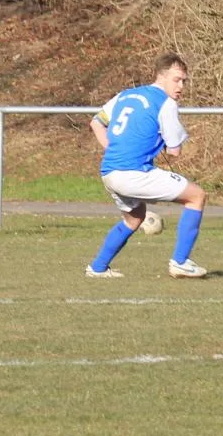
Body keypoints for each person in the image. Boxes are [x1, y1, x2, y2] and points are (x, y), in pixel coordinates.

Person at [87, 53, 209, 278]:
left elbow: (96, 122)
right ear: (161, 76)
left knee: (134, 218)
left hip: (109, 171)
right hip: (133, 173)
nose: (181, 86)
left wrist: (114, 149)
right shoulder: (166, 103)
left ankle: (98, 267)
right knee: (196, 196)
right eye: (176, 80)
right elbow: (174, 151)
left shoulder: (126, 95)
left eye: (184, 81)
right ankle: (180, 262)